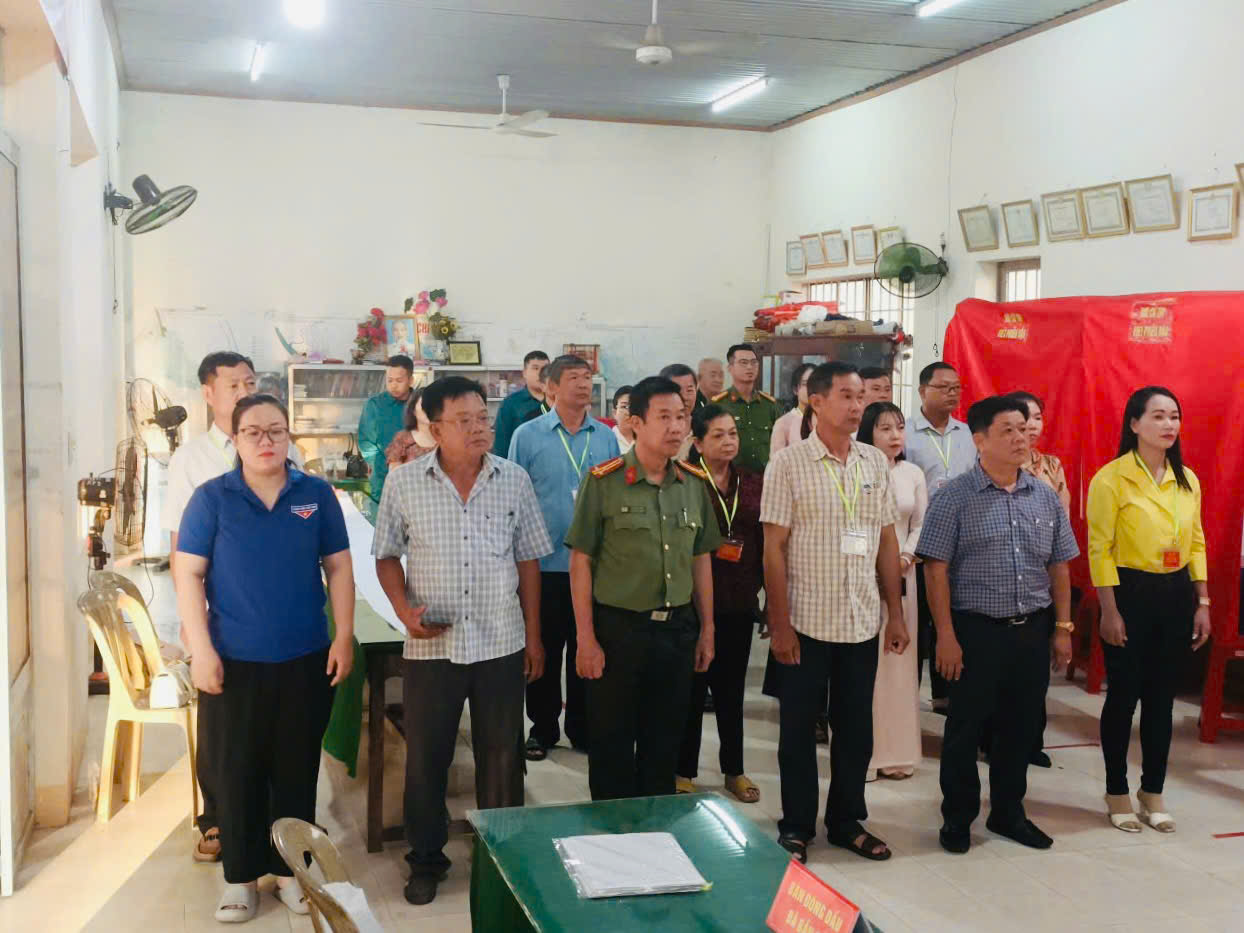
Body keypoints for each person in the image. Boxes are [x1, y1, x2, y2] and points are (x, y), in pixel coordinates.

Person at [173, 394, 355, 922]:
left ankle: (291, 872)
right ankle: (239, 877)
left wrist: (343, 636)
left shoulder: (314, 495)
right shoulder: (213, 498)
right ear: (234, 439)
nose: (266, 441)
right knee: (237, 773)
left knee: (296, 769)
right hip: (233, 662)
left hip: (305, 657)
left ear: (289, 435)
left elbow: (339, 568)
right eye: (252, 432)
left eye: (276, 430)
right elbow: (188, 574)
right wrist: (201, 649)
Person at [373, 376, 552, 906]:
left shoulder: (512, 479)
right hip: (432, 646)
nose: (479, 429)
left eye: (483, 419)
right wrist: (403, 611)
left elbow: (528, 560)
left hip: (501, 641)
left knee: (502, 758)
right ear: (434, 429)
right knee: (427, 760)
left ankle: (503, 857)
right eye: (464, 420)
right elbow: (386, 555)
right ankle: (426, 860)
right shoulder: (405, 483)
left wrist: (535, 637)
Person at [916, 396, 1078, 855]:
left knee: (1020, 726)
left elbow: (1060, 565)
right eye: (1008, 430)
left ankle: (1008, 813)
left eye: (1024, 428)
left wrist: (1062, 628)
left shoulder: (1043, 495)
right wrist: (945, 636)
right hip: (975, 631)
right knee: (966, 728)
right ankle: (957, 817)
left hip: (1031, 629)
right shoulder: (954, 496)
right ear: (980, 440)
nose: (1020, 438)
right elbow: (935, 570)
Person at [762, 362, 909, 863]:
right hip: (806, 621)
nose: (856, 406)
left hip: (860, 619)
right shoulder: (788, 464)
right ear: (816, 402)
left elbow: (886, 540)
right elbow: (773, 550)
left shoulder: (873, 462)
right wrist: (780, 624)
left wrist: (895, 612)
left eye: (860, 397)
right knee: (798, 731)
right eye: (846, 396)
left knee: (856, 730)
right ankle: (797, 825)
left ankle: (846, 821)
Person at [161, 350, 302, 864]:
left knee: (276, 724)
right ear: (209, 393)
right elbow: (181, 548)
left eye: (250, 382)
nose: (245, 392)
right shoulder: (192, 459)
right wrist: (193, 622)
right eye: (234, 385)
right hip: (219, 613)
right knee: (222, 724)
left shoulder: (287, 450)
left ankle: (278, 824)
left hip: (276, 615)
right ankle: (218, 817)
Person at [565, 376, 720, 801]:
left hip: (676, 631)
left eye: (681, 417)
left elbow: (701, 558)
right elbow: (581, 562)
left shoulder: (693, 483)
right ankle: (611, 830)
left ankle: (654, 828)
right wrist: (585, 638)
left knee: (664, 743)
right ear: (635, 423)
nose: (676, 427)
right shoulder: (604, 482)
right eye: (664, 417)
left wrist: (707, 629)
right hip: (619, 631)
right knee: (611, 742)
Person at [1086, 387, 1212, 835]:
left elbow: (1196, 541)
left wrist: (1202, 601)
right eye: (1158, 416)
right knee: (1123, 696)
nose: (1169, 425)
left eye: (1174, 416)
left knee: (1162, 699)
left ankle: (1152, 791)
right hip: (1129, 592)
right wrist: (1109, 610)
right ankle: (1116, 791)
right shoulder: (1111, 478)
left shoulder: (1186, 479)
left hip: (1176, 593)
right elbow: (1099, 548)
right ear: (1134, 424)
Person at [509, 356, 620, 761]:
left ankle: (582, 727)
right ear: (552, 387)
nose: (583, 384)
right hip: (542, 564)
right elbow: (513, 496)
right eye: (573, 378)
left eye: (587, 377)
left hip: (591, 566)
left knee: (585, 645)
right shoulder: (527, 436)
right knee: (543, 647)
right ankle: (541, 729)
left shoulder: (605, 437)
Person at [676, 404, 765, 803]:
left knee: (731, 692)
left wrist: (766, 596)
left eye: (733, 433)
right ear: (697, 442)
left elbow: (763, 540)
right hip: (692, 602)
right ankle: (683, 770)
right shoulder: (684, 480)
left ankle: (734, 770)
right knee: (692, 691)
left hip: (739, 600)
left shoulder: (752, 481)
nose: (729, 441)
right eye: (718, 435)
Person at [858, 402, 926, 780]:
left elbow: (921, 524)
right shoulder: (858, 468)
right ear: (868, 431)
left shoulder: (913, 473)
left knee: (898, 663)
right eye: (885, 428)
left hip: (903, 575)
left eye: (899, 427)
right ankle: (865, 756)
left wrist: (905, 556)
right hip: (862, 574)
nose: (895, 435)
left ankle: (898, 754)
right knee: (865, 665)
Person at [905, 361, 976, 713]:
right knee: (919, 621)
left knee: (949, 618)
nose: (952, 393)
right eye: (944, 387)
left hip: (960, 543)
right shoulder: (905, 433)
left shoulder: (967, 434)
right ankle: (906, 694)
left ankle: (945, 693)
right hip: (918, 542)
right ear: (923, 391)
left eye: (956, 388)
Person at [714, 344, 781, 475]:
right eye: (743, 363)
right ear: (730, 368)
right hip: (731, 477)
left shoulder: (770, 405)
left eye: (754, 362)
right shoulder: (719, 405)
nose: (750, 367)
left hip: (766, 477)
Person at [358, 355, 416, 501]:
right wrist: (381, 466)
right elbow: (366, 443)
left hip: (416, 478)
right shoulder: (374, 405)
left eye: (399, 381)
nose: (393, 385)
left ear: (411, 380)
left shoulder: (420, 404)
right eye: (390, 380)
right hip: (383, 478)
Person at [492, 350, 550, 457]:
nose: (541, 373)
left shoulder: (558, 400)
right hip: (520, 463)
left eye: (545, 369)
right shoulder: (510, 404)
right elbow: (501, 444)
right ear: (524, 373)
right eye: (535, 368)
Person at [770, 363, 816, 456]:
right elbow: (776, 461)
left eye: (815, 384)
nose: (811, 388)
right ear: (795, 389)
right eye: (805, 384)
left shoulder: (826, 421)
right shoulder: (783, 423)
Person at [385, 386, 437, 466]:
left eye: (433, 406)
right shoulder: (402, 439)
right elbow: (393, 472)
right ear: (413, 410)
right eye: (424, 405)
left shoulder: (448, 438)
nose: (429, 409)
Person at [660, 362, 701, 460]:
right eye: (677, 391)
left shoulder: (705, 428)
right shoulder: (652, 432)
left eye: (689, 390)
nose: (685, 397)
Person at [611, 385, 635, 454]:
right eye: (624, 407)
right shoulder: (606, 439)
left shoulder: (647, 440)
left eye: (634, 406)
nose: (629, 412)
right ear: (614, 413)